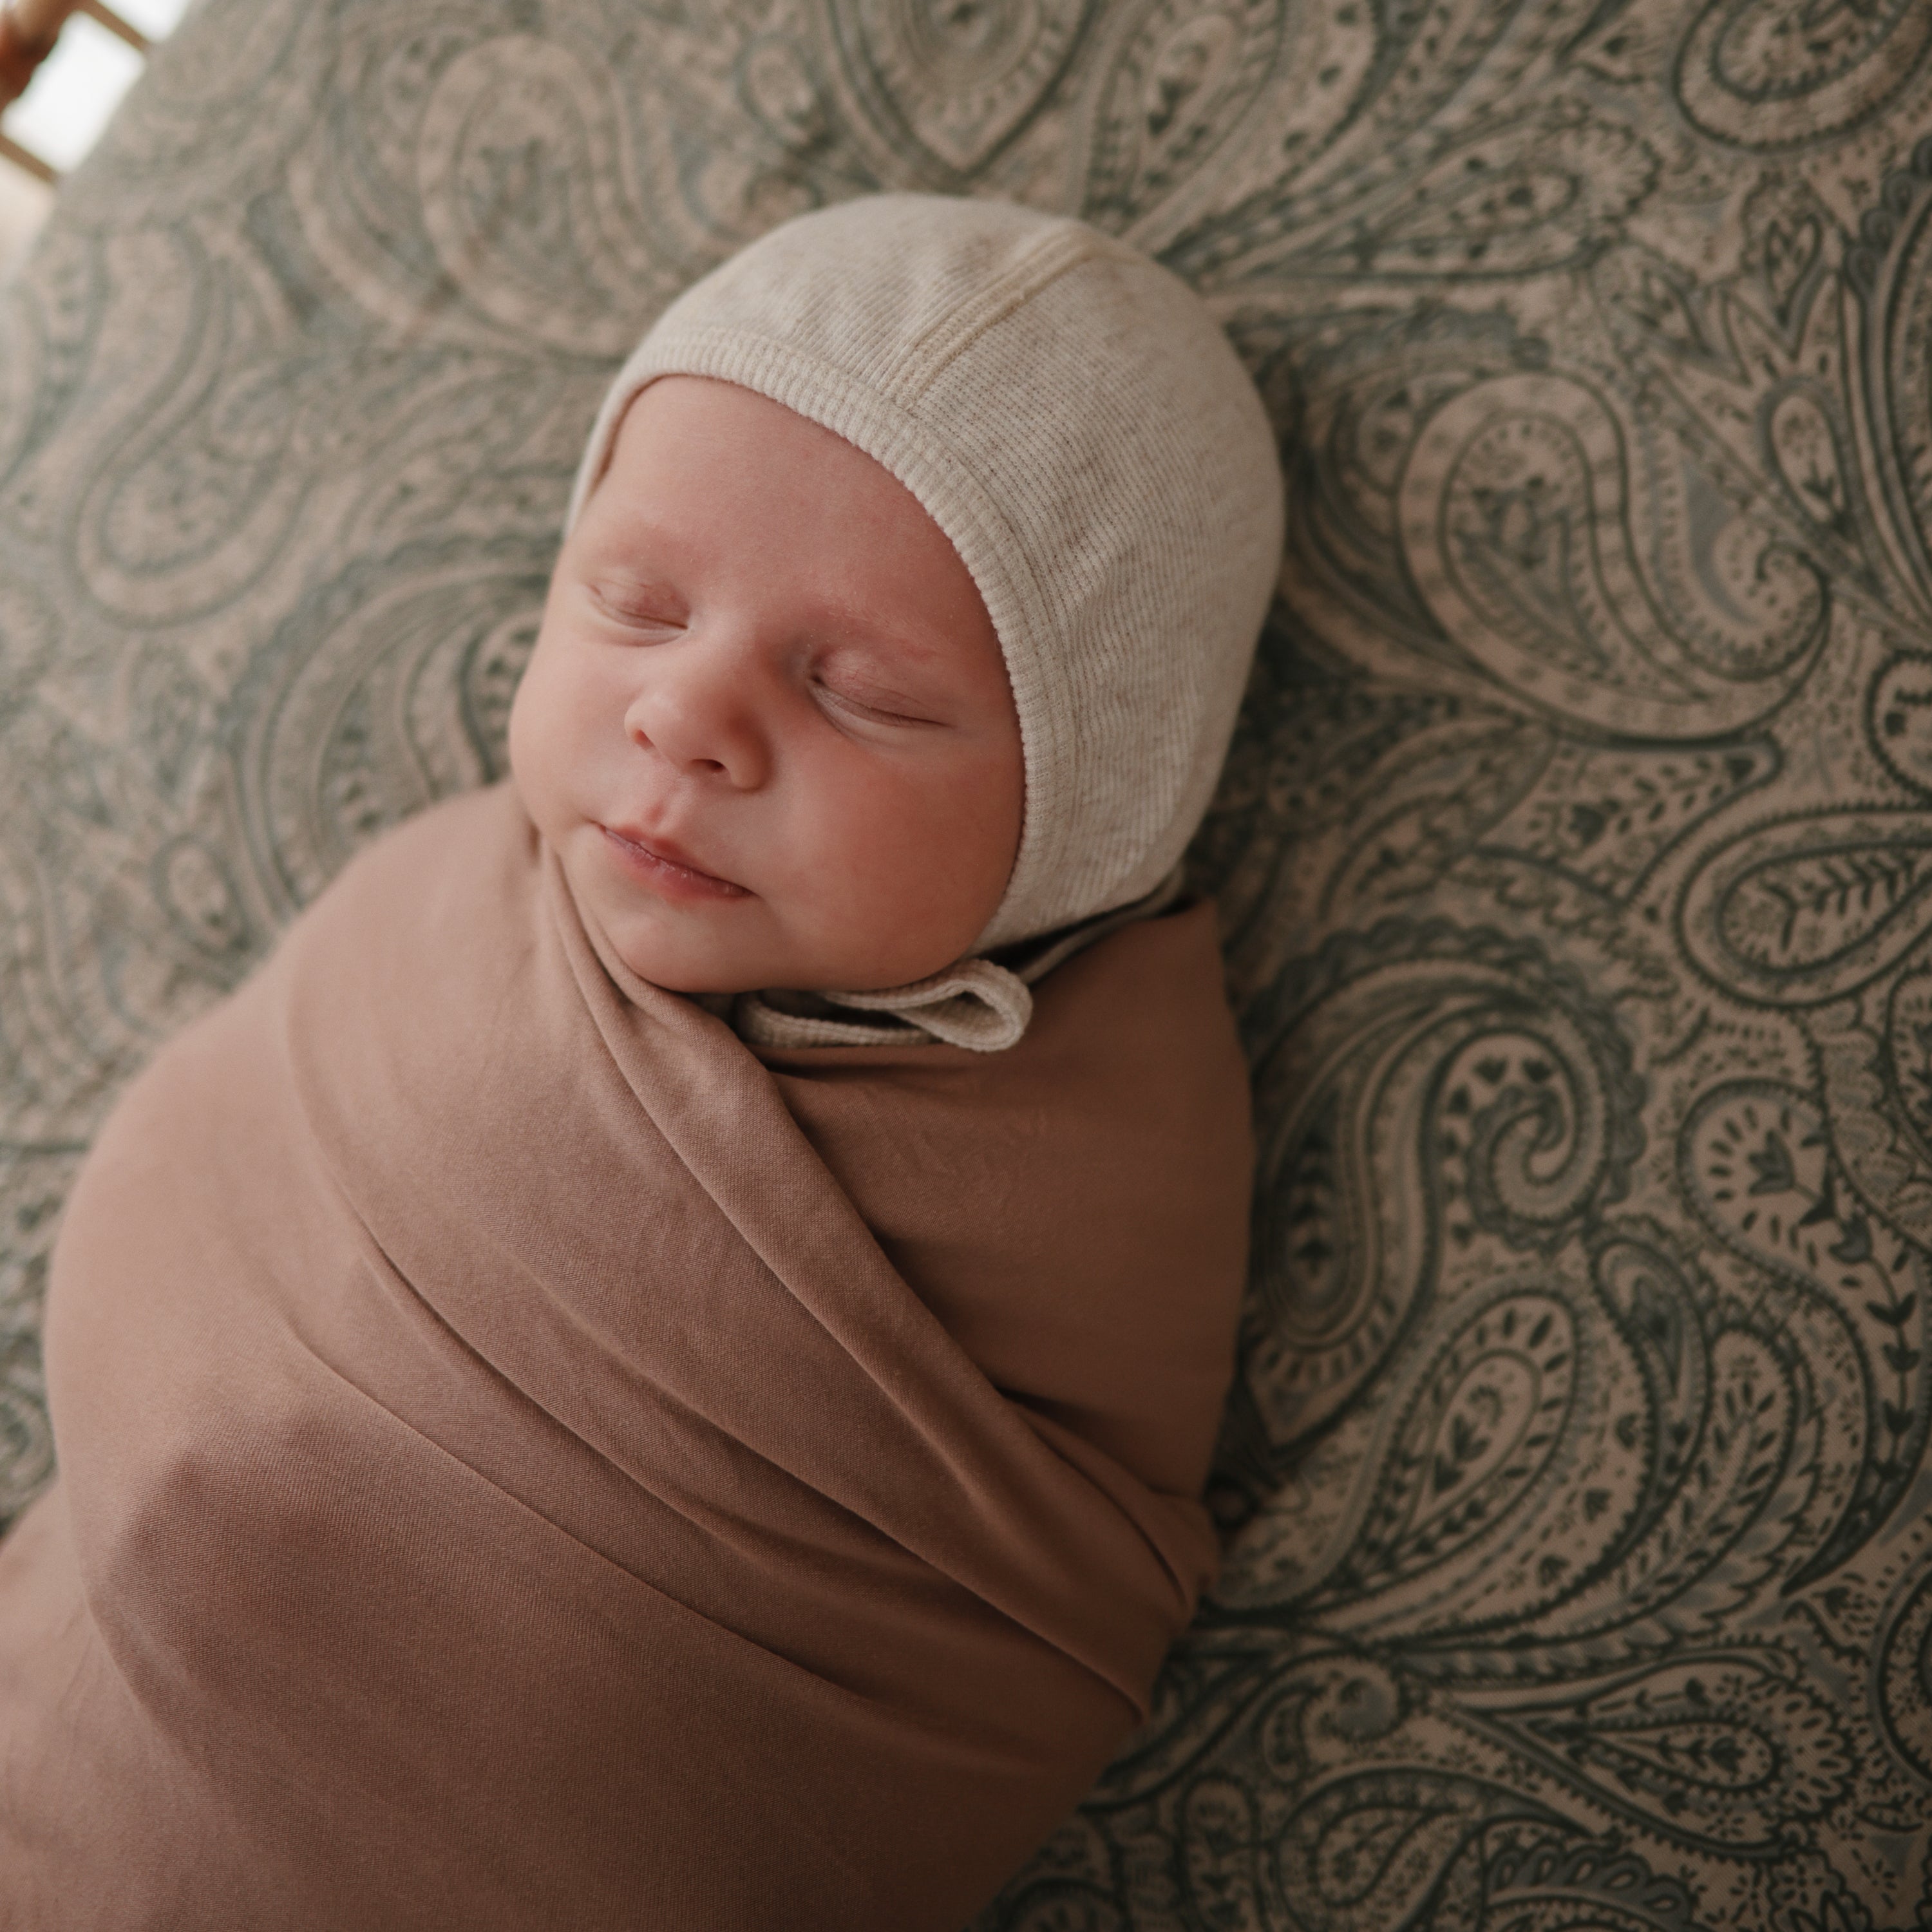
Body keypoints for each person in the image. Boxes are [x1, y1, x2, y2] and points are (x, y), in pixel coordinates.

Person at [0, 193, 1283, 1929]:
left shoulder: (1101, 1155)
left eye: (866, 694)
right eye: (635, 600)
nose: (686, 718)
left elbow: (954, 1636)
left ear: (1093, 811)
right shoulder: (457, 907)